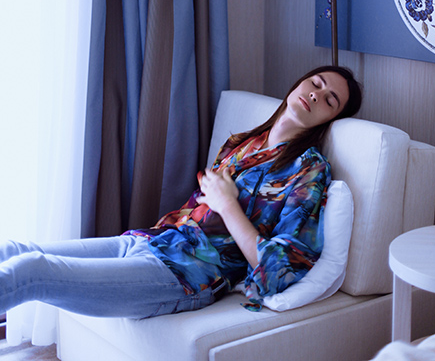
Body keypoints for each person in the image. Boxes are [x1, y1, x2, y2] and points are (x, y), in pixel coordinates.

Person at [0, 65, 362, 319]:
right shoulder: (244, 143)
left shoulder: (309, 170)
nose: (315, 95)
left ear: (330, 119)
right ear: (298, 84)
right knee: (17, 251)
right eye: (315, 83)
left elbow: (279, 270)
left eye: (329, 100)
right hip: (153, 241)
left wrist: (228, 205)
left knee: (31, 271)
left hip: (187, 275)